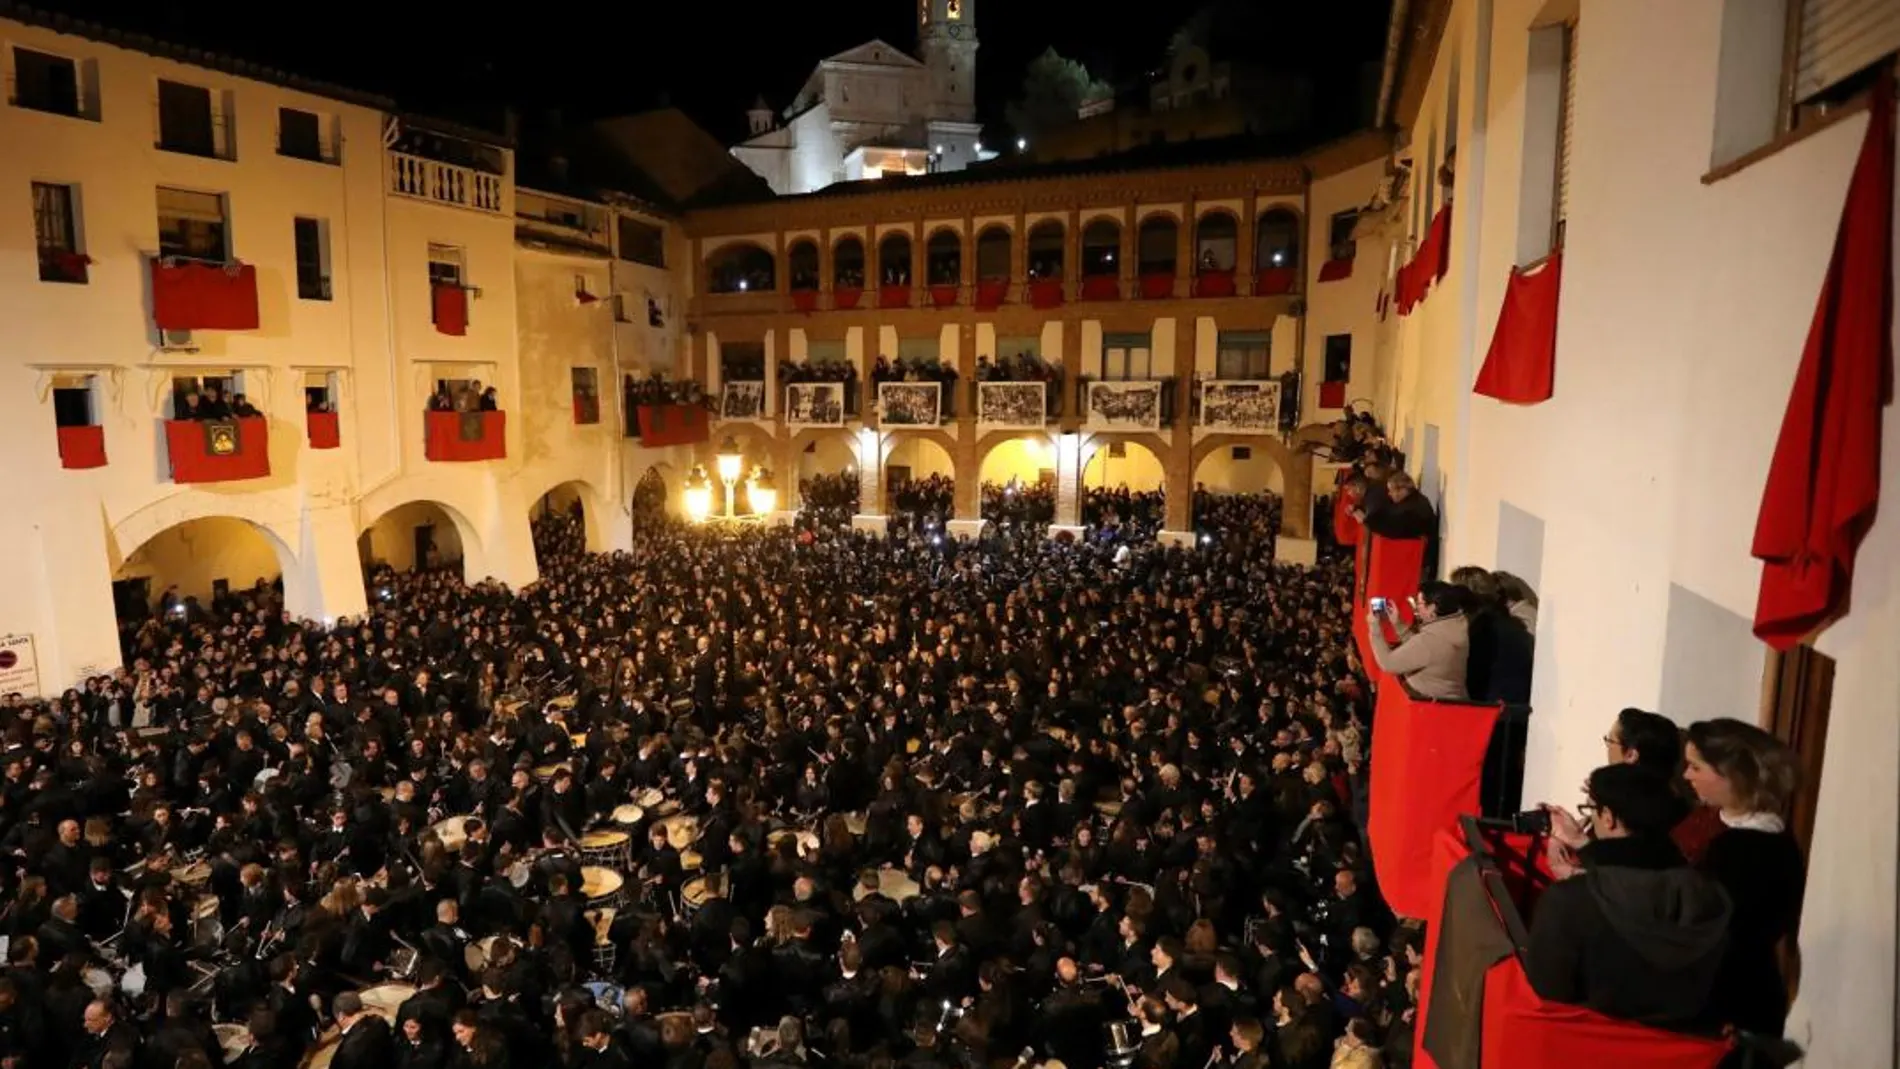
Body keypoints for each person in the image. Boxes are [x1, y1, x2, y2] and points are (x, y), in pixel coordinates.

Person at [1529, 765, 1731, 1029]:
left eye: (1591, 810)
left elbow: (1547, 1002)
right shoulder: (1708, 894)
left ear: (1608, 817)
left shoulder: (1568, 902)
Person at [1683, 719, 1805, 1037]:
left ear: (1730, 774)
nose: (1686, 776)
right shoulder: (1710, 821)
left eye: (1695, 767)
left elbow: (1721, 933)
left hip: (1732, 1003)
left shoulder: (1753, 849)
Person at [1366, 581, 1469, 700]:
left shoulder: (1429, 641)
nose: (1416, 608)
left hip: (1429, 705)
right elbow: (1422, 652)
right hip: (1451, 700)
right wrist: (1398, 625)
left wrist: (1374, 627)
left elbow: (1388, 663)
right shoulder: (1454, 626)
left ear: (1431, 608)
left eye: (1418, 603)